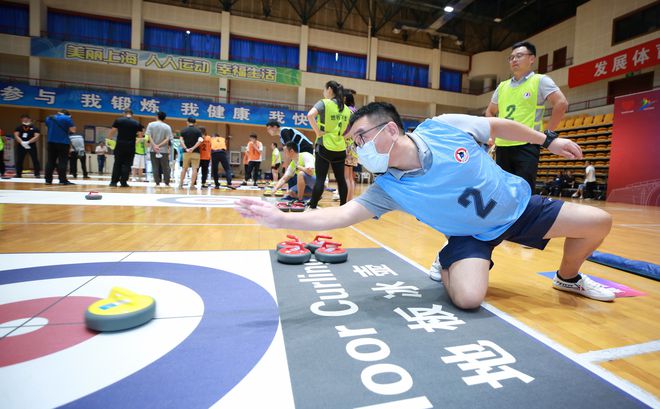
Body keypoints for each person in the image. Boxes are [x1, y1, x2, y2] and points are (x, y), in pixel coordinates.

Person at [237, 102, 616, 309]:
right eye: (353, 144)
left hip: (520, 209)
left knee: (598, 221)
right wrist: (282, 217)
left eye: (359, 138)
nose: (357, 149)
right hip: (471, 234)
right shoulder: (389, 187)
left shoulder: (443, 126)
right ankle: (450, 258)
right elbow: (342, 214)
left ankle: (569, 279)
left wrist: (546, 139)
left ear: (389, 130)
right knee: (468, 299)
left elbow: (498, 126)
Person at [485, 41, 568, 192]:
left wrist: (548, 134)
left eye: (519, 56)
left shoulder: (540, 81)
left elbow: (561, 103)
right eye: (511, 58)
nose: (514, 60)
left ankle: (525, 216)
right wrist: (493, 136)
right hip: (503, 147)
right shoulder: (502, 86)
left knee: (523, 192)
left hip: (527, 145)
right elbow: (490, 112)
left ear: (531, 59)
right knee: (503, 191)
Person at [306, 80, 351, 208]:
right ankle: (343, 206)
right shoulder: (347, 109)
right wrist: (344, 137)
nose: (323, 92)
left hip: (324, 146)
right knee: (341, 180)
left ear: (330, 89)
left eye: (324, 90)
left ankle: (313, 205)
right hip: (340, 148)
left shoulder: (324, 103)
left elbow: (310, 115)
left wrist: (318, 132)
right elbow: (354, 128)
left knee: (320, 178)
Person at [107, 109, 143, 187]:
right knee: (127, 164)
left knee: (117, 163)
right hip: (130, 147)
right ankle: (124, 182)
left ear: (124, 113)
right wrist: (133, 142)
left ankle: (113, 182)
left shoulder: (118, 120)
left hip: (119, 145)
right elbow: (140, 137)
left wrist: (109, 139)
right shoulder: (137, 123)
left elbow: (112, 131)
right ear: (132, 115)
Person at [44, 109, 76, 185]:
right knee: (62, 161)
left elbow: (47, 128)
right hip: (63, 142)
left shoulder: (49, 118)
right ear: (68, 114)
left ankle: (48, 180)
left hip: (51, 141)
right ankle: (62, 180)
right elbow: (73, 130)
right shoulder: (67, 118)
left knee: (50, 161)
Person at [144, 111, 173, 186]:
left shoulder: (151, 125)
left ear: (157, 116)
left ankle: (157, 182)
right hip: (164, 150)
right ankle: (167, 182)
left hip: (153, 149)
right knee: (166, 167)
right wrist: (159, 145)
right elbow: (167, 139)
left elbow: (148, 136)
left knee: (155, 166)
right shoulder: (167, 127)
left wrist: (154, 145)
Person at [341, 89, 358, 201]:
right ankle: (350, 200)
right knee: (350, 177)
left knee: (346, 176)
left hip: (346, 145)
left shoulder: (346, 110)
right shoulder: (356, 111)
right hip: (354, 146)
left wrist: (340, 138)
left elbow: (345, 130)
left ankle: (346, 201)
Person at [178, 117, 203, 189]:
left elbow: (181, 140)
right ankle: (192, 185)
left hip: (186, 153)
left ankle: (180, 184)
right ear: (195, 123)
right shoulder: (198, 131)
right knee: (194, 169)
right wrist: (193, 148)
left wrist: (186, 148)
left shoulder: (183, 130)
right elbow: (200, 140)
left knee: (184, 168)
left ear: (187, 122)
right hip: (196, 153)